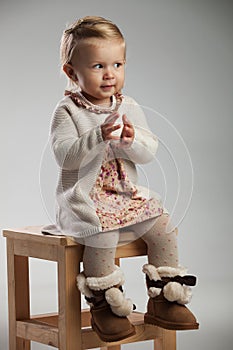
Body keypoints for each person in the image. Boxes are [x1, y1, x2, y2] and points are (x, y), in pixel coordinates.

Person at [45, 16, 198, 342]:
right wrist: (98, 136)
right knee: (102, 233)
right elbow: (65, 155)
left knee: (165, 226)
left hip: (124, 195)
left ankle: (163, 297)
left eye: (117, 64)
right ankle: (104, 302)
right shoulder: (67, 111)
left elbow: (148, 152)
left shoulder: (128, 106)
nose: (110, 73)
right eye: (98, 65)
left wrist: (131, 141)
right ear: (72, 73)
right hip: (85, 199)